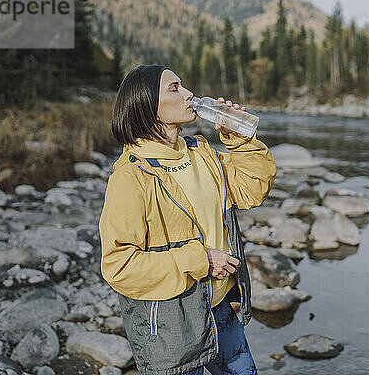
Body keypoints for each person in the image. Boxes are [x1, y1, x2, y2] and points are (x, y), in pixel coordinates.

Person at [99, 64, 277, 375]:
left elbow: (252, 190)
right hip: (171, 325)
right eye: (175, 88)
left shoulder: (201, 152)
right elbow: (119, 266)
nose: (188, 93)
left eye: (183, 86)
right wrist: (200, 259)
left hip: (218, 308)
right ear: (149, 107)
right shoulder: (131, 176)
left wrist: (240, 141)